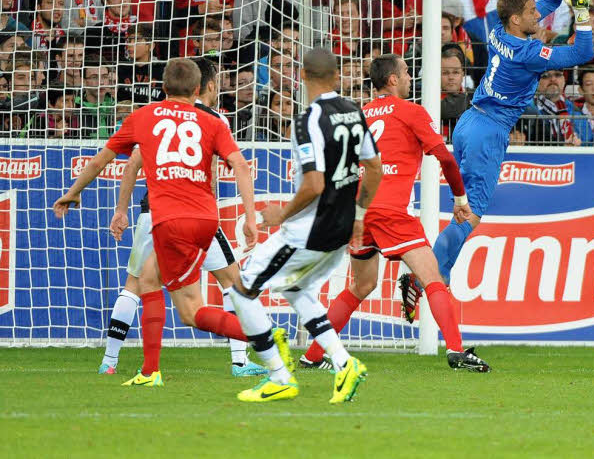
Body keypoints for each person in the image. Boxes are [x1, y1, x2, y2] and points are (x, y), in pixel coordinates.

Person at [53, 58, 259, 387]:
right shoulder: (214, 121)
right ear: (200, 89)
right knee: (199, 287)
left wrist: (74, 193)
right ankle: (169, 368)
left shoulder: (144, 116)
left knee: (156, 292)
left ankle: (119, 362)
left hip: (160, 217)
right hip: (201, 216)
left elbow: (109, 161)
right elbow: (240, 165)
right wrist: (249, 218)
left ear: (162, 88)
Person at [294, 55, 489, 371]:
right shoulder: (411, 112)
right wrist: (460, 199)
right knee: (432, 277)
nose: (411, 78)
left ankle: (313, 355)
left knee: (361, 285)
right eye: (407, 72)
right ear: (393, 80)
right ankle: (457, 352)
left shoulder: (357, 115)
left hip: (357, 212)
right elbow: (447, 160)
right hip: (389, 211)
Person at [426, 0, 594, 286]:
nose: (539, 15)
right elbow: (582, 51)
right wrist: (583, 9)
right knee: (470, 215)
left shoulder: (499, 30)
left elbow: (543, 6)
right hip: (488, 132)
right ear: (518, 19)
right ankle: (429, 273)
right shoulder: (529, 52)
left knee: (464, 212)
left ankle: (439, 279)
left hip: (469, 123)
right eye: (532, 11)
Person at [227, 48, 382, 403]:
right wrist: (359, 217)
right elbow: (374, 167)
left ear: (302, 76)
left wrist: (281, 214)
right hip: (342, 227)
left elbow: (313, 184)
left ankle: (279, 376)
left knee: (241, 290)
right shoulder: (354, 113)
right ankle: (344, 365)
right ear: (337, 76)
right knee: (297, 290)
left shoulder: (307, 120)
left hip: (308, 230)